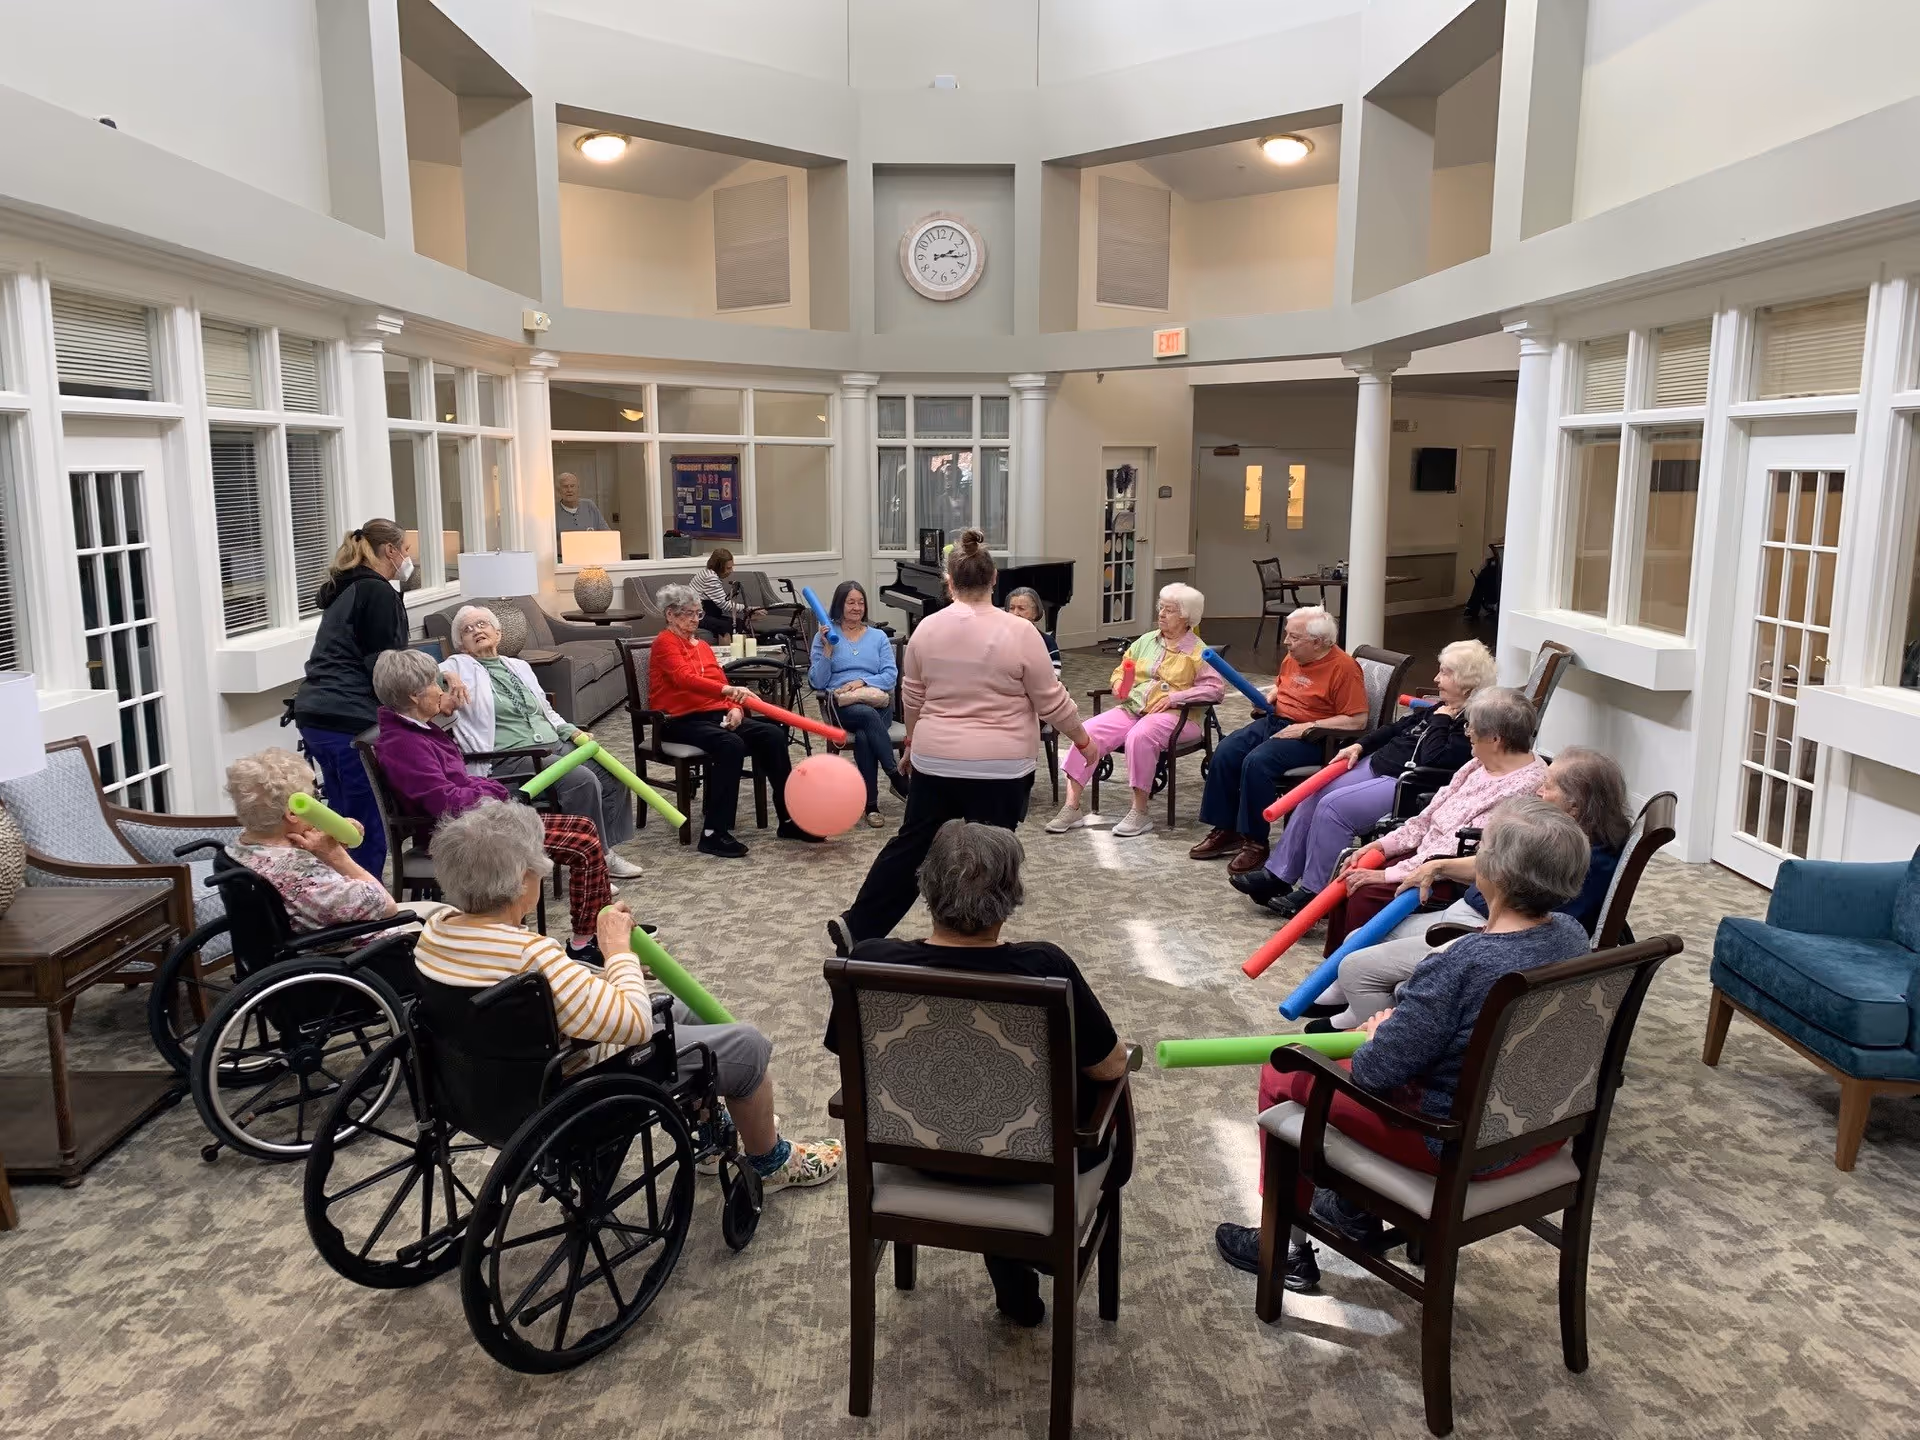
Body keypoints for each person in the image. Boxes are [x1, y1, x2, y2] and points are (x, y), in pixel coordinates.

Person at [1213, 797, 1594, 1290]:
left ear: (1492, 872)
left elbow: (1376, 1073)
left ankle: (1280, 1244)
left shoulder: (1462, 965)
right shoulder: (1571, 936)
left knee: (1283, 1069)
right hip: (1543, 1135)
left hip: (1451, 1144)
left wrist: (1377, 1032)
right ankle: (1354, 1208)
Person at [415, 800, 840, 1194]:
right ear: (524, 878)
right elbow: (633, 1024)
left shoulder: (436, 930)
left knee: (681, 1008)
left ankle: (711, 1125)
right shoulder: (532, 953)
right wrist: (618, 951)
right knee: (746, 1045)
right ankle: (772, 1161)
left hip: (480, 1085)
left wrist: (622, 971)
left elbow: (550, 986)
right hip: (572, 1084)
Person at [829, 821, 1133, 1327]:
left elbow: (848, 1058)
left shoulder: (870, 961)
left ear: (925, 886)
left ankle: (1011, 1265)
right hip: (1028, 1164)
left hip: (918, 1158)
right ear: (1011, 894)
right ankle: (1022, 1250)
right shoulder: (1043, 966)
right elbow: (1110, 1066)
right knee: (1092, 1093)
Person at [826, 531, 1098, 956]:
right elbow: (1052, 701)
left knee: (912, 842)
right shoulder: (1022, 632)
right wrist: (1083, 740)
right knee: (989, 853)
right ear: (994, 583)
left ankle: (858, 924)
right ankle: (974, 940)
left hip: (937, 760)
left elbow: (911, 698)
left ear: (949, 583)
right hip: (1000, 766)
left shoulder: (925, 630)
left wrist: (913, 744)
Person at [1316, 746, 1633, 1029]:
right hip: (1477, 918)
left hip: (1482, 931)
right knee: (1357, 938)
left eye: (1547, 786)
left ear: (1574, 807)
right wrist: (1437, 866)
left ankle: (1372, 1030)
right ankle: (1356, 1014)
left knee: (1357, 966)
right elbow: (1497, 866)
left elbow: (1524, 923)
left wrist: (1469, 936)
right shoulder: (1562, 837)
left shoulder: (1573, 858)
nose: (1537, 789)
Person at [370, 649, 618, 965]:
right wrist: (491, 790)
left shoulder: (418, 728)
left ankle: (592, 935)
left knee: (584, 828)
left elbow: (456, 784)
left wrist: (484, 790)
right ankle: (585, 943)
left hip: (477, 823)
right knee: (582, 845)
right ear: (413, 696)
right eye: (435, 685)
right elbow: (443, 801)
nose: (441, 692)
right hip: (460, 837)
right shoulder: (403, 743)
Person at [1235, 638, 1492, 917]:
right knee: (1312, 794)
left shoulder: (1472, 720)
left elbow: (1437, 759)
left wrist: (1441, 721)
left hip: (1405, 781)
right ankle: (1278, 876)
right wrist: (1360, 745)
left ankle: (1315, 893)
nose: (1436, 678)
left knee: (1333, 808)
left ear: (1467, 681)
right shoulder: (1441, 706)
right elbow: (1395, 728)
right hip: (1377, 763)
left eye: (1444, 672)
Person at [1317, 686, 1547, 952]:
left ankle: (1352, 972)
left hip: (1453, 874)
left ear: (1495, 739)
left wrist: (1387, 875)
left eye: (1471, 728)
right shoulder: (1478, 763)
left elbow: (1456, 850)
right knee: (1351, 874)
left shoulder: (1525, 786)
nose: (1467, 732)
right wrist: (1384, 845)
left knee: (1363, 892)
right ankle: (1332, 973)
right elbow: (1430, 814)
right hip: (1425, 854)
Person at [291, 519, 451, 881]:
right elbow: (389, 669)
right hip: (349, 720)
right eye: (406, 549)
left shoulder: (347, 588)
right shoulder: (376, 592)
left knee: (339, 819)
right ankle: (367, 910)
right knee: (365, 822)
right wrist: (433, 693)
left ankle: (341, 900)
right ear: (390, 551)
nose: (408, 557)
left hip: (316, 715)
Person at [439, 604, 642, 878]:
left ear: (498, 633)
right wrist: (448, 675)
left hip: (551, 744)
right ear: (461, 646)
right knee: (581, 780)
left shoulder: (518, 666)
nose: (476, 631)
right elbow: (421, 668)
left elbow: (546, 710)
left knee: (612, 774)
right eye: (467, 630)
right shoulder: (460, 666)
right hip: (510, 757)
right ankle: (590, 866)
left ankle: (604, 852)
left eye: (482, 624)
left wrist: (570, 731)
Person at [1189, 606, 1369, 875]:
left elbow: (1357, 720)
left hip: (1316, 736)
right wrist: (1272, 696)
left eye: (1294, 637)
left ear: (1318, 642)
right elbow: (1283, 683)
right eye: (1287, 635)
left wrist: (1309, 726)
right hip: (1277, 721)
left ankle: (1255, 842)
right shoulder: (1295, 656)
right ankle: (1227, 829)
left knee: (1257, 763)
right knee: (1226, 751)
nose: (1286, 642)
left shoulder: (1344, 668)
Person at [1047, 583, 1223, 839]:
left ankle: (1139, 812)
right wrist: (1118, 682)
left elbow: (1215, 689)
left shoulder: (1197, 651)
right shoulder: (1146, 641)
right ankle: (1072, 806)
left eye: (1170, 610)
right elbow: (1123, 668)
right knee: (1088, 731)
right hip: (1134, 709)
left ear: (1187, 617)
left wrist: (1176, 697)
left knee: (1140, 736)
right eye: (1161, 608)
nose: (1162, 614)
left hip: (1179, 718)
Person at [651, 583, 814, 858]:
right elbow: (684, 679)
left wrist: (735, 709)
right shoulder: (665, 643)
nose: (694, 619)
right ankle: (714, 832)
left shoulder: (702, 645)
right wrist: (728, 693)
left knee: (773, 734)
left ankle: (789, 820)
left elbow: (719, 681)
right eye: (688, 613)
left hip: (713, 716)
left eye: (698, 613)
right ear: (670, 615)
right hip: (677, 720)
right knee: (731, 744)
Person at [223, 747, 413, 932]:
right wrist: (336, 856)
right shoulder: (301, 874)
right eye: (314, 797)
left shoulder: (241, 845)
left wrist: (334, 828)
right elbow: (387, 905)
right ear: (292, 813)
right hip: (359, 951)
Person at [808, 580, 906, 828]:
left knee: (865, 733)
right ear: (839, 605)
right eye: (851, 602)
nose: (856, 607)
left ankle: (871, 805)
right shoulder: (825, 636)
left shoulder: (878, 636)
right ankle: (896, 776)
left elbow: (889, 675)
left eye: (861, 602)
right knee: (864, 717)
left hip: (877, 703)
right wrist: (828, 650)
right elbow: (817, 682)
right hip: (842, 705)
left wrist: (861, 682)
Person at [693, 547, 761, 639]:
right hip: (699, 616)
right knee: (729, 626)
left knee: (738, 622)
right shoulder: (710, 578)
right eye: (728, 568)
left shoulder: (707, 573)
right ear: (718, 567)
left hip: (704, 613)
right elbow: (724, 605)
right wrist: (750, 609)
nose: (731, 571)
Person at [1006, 587, 1061, 674]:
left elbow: (1055, 672)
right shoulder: (1001, 639)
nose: (1015, 613)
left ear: (1035, 612)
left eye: (1021, 608)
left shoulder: (1047, 641)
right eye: (1011, 608)